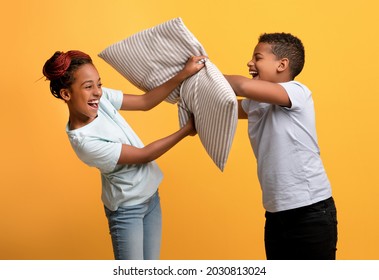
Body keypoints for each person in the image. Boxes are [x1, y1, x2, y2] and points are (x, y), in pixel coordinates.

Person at [42, 50, 207, 260]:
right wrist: (186, 129)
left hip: (151, 197)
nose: (97, 92)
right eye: (88, 86)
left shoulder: (99, 100)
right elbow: (144, 154)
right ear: (66, 94)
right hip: (127, 211)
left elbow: (145, 102)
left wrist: (184, 73)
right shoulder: (84, 141)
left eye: (99, 84)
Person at [224, 33, 338, 260]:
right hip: (276, 212)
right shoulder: (257, 101)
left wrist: (204, 73)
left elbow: (242, 86)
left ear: (282, 65)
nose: (250, 63)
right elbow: (224, 109)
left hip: (311, 210)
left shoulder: (297, 91)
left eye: (257, 58)